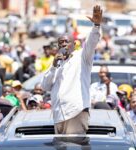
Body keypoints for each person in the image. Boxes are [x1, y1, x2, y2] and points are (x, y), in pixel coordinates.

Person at [42, 5, 102, 134]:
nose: (63, 44)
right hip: (58, 115)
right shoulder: (56, 62)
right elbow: (45, 86)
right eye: (60, 42)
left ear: (74, 44)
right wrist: (53, 66)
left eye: (66, 41)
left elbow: (92, 42)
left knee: (74, 146)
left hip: (75, 112)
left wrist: (96, 26)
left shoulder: (82, 57)